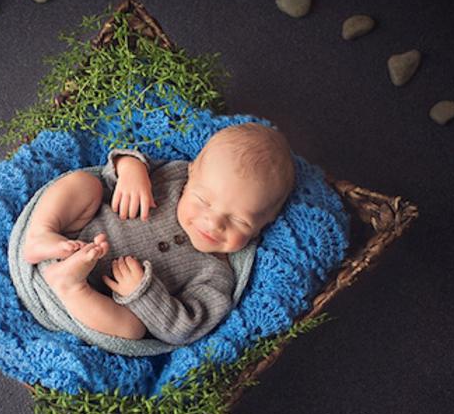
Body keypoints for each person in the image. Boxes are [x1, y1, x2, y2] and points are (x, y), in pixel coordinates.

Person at [21, 122, 296, 344]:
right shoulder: (172, 180)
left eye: (239, 221)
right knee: (85, 184)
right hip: (70, 233)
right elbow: (115, 169)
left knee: (132, 329)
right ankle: (41, 233)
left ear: (265, 224)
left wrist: (142, 293)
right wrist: (131, 170)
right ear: (190, 175)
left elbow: (183, 328)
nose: (213, 223)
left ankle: (70, 286)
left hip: (92, 303)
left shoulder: (217, 276)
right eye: (203, 201)